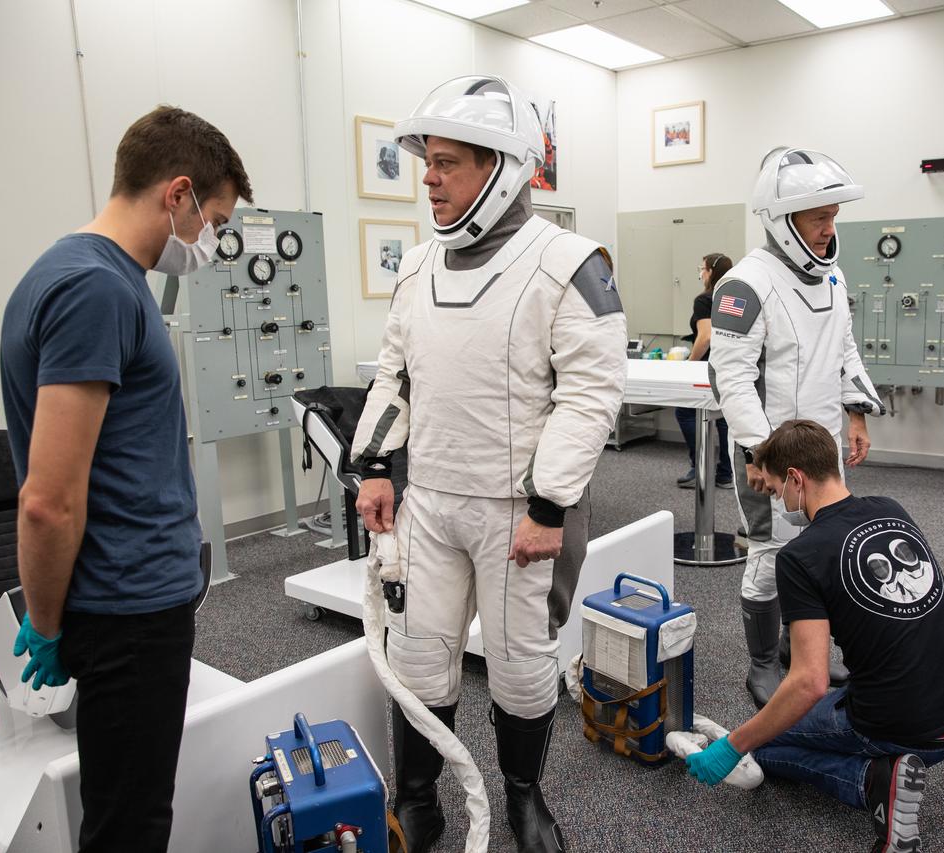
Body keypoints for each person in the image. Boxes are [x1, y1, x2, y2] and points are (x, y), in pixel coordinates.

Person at [350, 75, 627, 853]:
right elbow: (394, 374)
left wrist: (548, 508)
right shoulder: (417, 270)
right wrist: (375, 465)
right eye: (425, 162)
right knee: (421, 656)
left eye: (444, 162)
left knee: (520, 668)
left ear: (501, 168)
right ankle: (419, 796)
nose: (428, 178)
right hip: (431, 502)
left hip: (519, 514)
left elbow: (591, 393)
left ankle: (524, 797)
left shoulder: (569, 263)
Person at [0, 106, 251, 852]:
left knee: (126, 806)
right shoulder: (96, 289)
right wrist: (46, 623)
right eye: (215, 218)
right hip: (128, 611)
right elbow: (47, 499)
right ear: (177, 194)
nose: (213, 239)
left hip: (130, 601)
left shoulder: (85, 274)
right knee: (130, 825)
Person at [684, 419, 944, 853]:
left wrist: (733, 745)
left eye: (774, 490)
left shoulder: (800, 557)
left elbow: (809, 682)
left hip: (906, 724)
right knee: (780, 723)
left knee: (761, 749)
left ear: (795, 478)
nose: (777, 501)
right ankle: (884, 765)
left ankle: (875, 782)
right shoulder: (890, 507)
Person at [709, 147, 885, 708]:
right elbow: (730, 378)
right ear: (783, 221)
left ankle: (798, 651)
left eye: (833, 215)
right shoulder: (744, 284)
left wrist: (854, 412)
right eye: (818, 217)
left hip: (823, 446)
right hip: (768, 454)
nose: (829, 228)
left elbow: (845, 348)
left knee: (819, 548)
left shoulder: (832, 276)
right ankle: (762, 664)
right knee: (768, 554)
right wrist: (761, 456)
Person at [674, 252, 734, 489]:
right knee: (723, 419)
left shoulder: (705, 299)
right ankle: (726, 473)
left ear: (710, 272)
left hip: (706, 367)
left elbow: (706, 336)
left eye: (702, 268)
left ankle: (699, 467)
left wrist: (690, 362)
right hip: (728, 365)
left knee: (685, 412)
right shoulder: (732, 297)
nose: (700, 273)